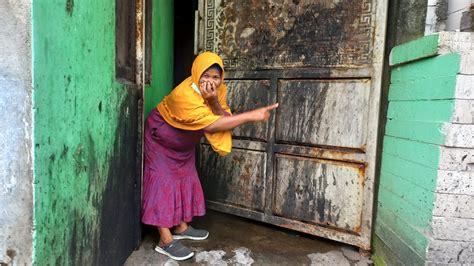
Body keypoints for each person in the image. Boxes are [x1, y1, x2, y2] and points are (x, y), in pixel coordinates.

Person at [141, 51, 278, 261]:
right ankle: (165, 240)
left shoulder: (218, 90)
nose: (211, 81)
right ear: (196, 73)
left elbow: (220, 113)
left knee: (185, 179)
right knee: (163, 183)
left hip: (183, 144)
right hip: (161, 140)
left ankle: (181, 227)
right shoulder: (183, 95)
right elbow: (214, 125)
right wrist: (251, 116)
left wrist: (213, 99)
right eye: (206, 75)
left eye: (216, 77)